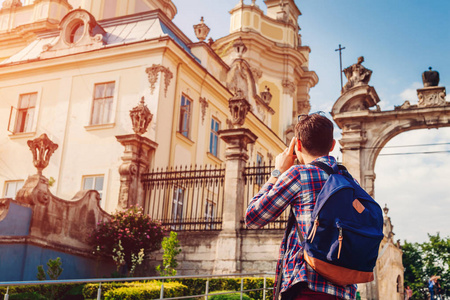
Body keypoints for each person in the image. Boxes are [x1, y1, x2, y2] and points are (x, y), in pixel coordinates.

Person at [246, 112, 357, 300]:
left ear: (297, 145)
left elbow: (253, 217)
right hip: (344, 289)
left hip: (307, 285)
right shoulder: (349, 180)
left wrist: (277, 172)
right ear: (332, 145)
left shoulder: (299, 174)